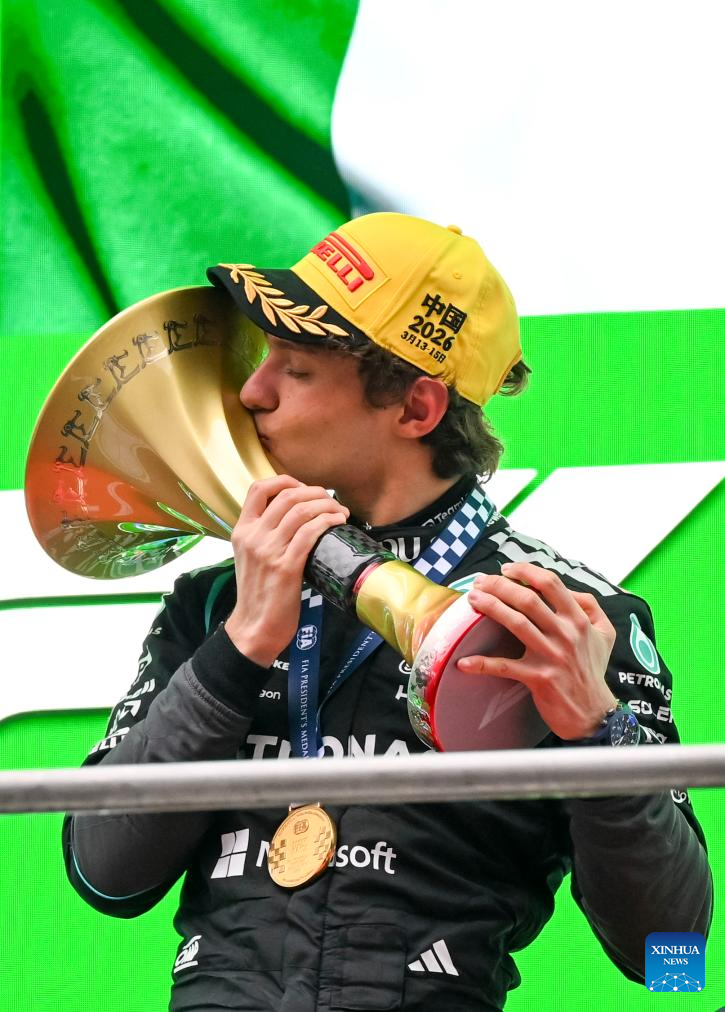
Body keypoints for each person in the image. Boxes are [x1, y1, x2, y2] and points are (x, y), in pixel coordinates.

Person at [63, 212, 712, 1012]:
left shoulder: (564, 621)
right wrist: (239, 647)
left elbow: (674, 961)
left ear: (415, 409)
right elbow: (103, 875)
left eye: (296, 369)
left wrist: (599, 736)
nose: (251, 391)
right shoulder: (214, 604)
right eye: (264, 358)